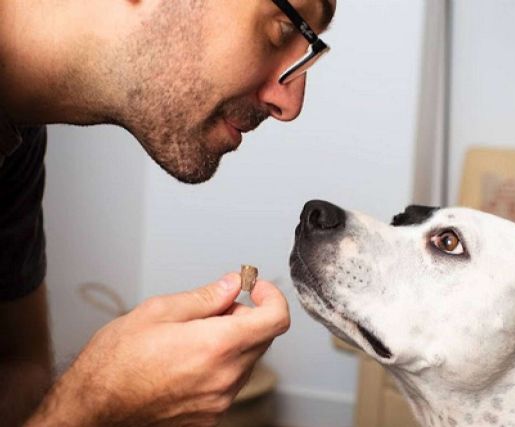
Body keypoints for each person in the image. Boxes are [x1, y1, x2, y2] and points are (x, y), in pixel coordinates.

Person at [0, 0, 336, 425]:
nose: (290, 104)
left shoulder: (18, 144)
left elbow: (17, 368)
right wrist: (93, 404)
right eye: (285, 30)